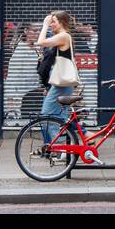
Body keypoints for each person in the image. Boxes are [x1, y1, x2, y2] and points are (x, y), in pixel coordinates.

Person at [36, 11, 78, 140]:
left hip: (62, 85)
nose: (51, 24)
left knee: (47, 116)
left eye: (54, 22)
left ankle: (61, 149)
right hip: (60, 84)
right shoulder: (63, 36)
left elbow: (40, 42)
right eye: (51, 22)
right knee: (59, 118)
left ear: (62, 22)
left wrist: (44, 24)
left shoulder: (64, 36)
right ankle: (64, 148)